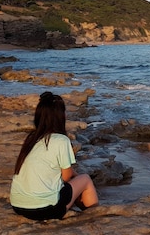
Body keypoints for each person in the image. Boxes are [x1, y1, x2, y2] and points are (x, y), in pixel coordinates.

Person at [10, 91, 98, 220]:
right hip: (45, 209)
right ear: (60, 116)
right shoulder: (61, 140)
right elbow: (66, 177)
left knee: (71, 182)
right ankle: (94, 215)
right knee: (85, 179)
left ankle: (80, 204)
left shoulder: (31, 139)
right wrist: (75, 177)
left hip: (18, 206)